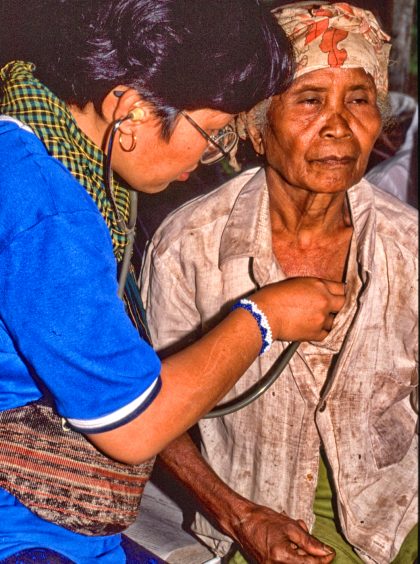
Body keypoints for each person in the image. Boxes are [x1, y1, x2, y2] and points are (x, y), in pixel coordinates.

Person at [0, 1, 349, 562]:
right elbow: (131, 426)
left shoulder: (34, 147)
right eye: (210, 131)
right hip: (23, 528)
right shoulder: (51, 211)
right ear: (132, 109)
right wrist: (262, 319)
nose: (214, 157)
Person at [141, 2, 418, 563]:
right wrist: (237, 516)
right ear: (257, 128)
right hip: (249, 521)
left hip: (395, 522)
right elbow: (144, 407)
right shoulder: (191, 245)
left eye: (359, 101)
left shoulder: (408, 248)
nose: (339, 125)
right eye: (310, 100)